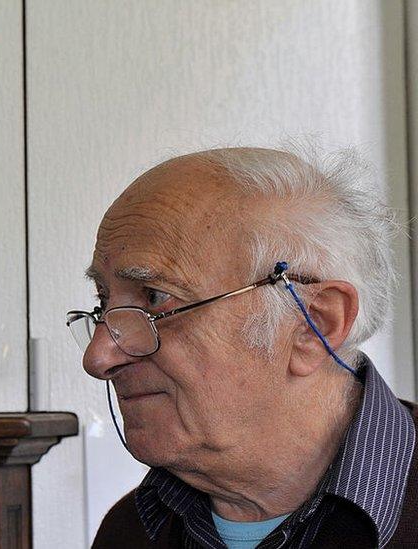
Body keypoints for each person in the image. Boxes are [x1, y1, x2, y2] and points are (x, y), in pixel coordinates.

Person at [71, 148, 417, 548]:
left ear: (312, 324)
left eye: (154, 297)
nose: (98, 357)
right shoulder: (132, 529)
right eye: (102, 303)